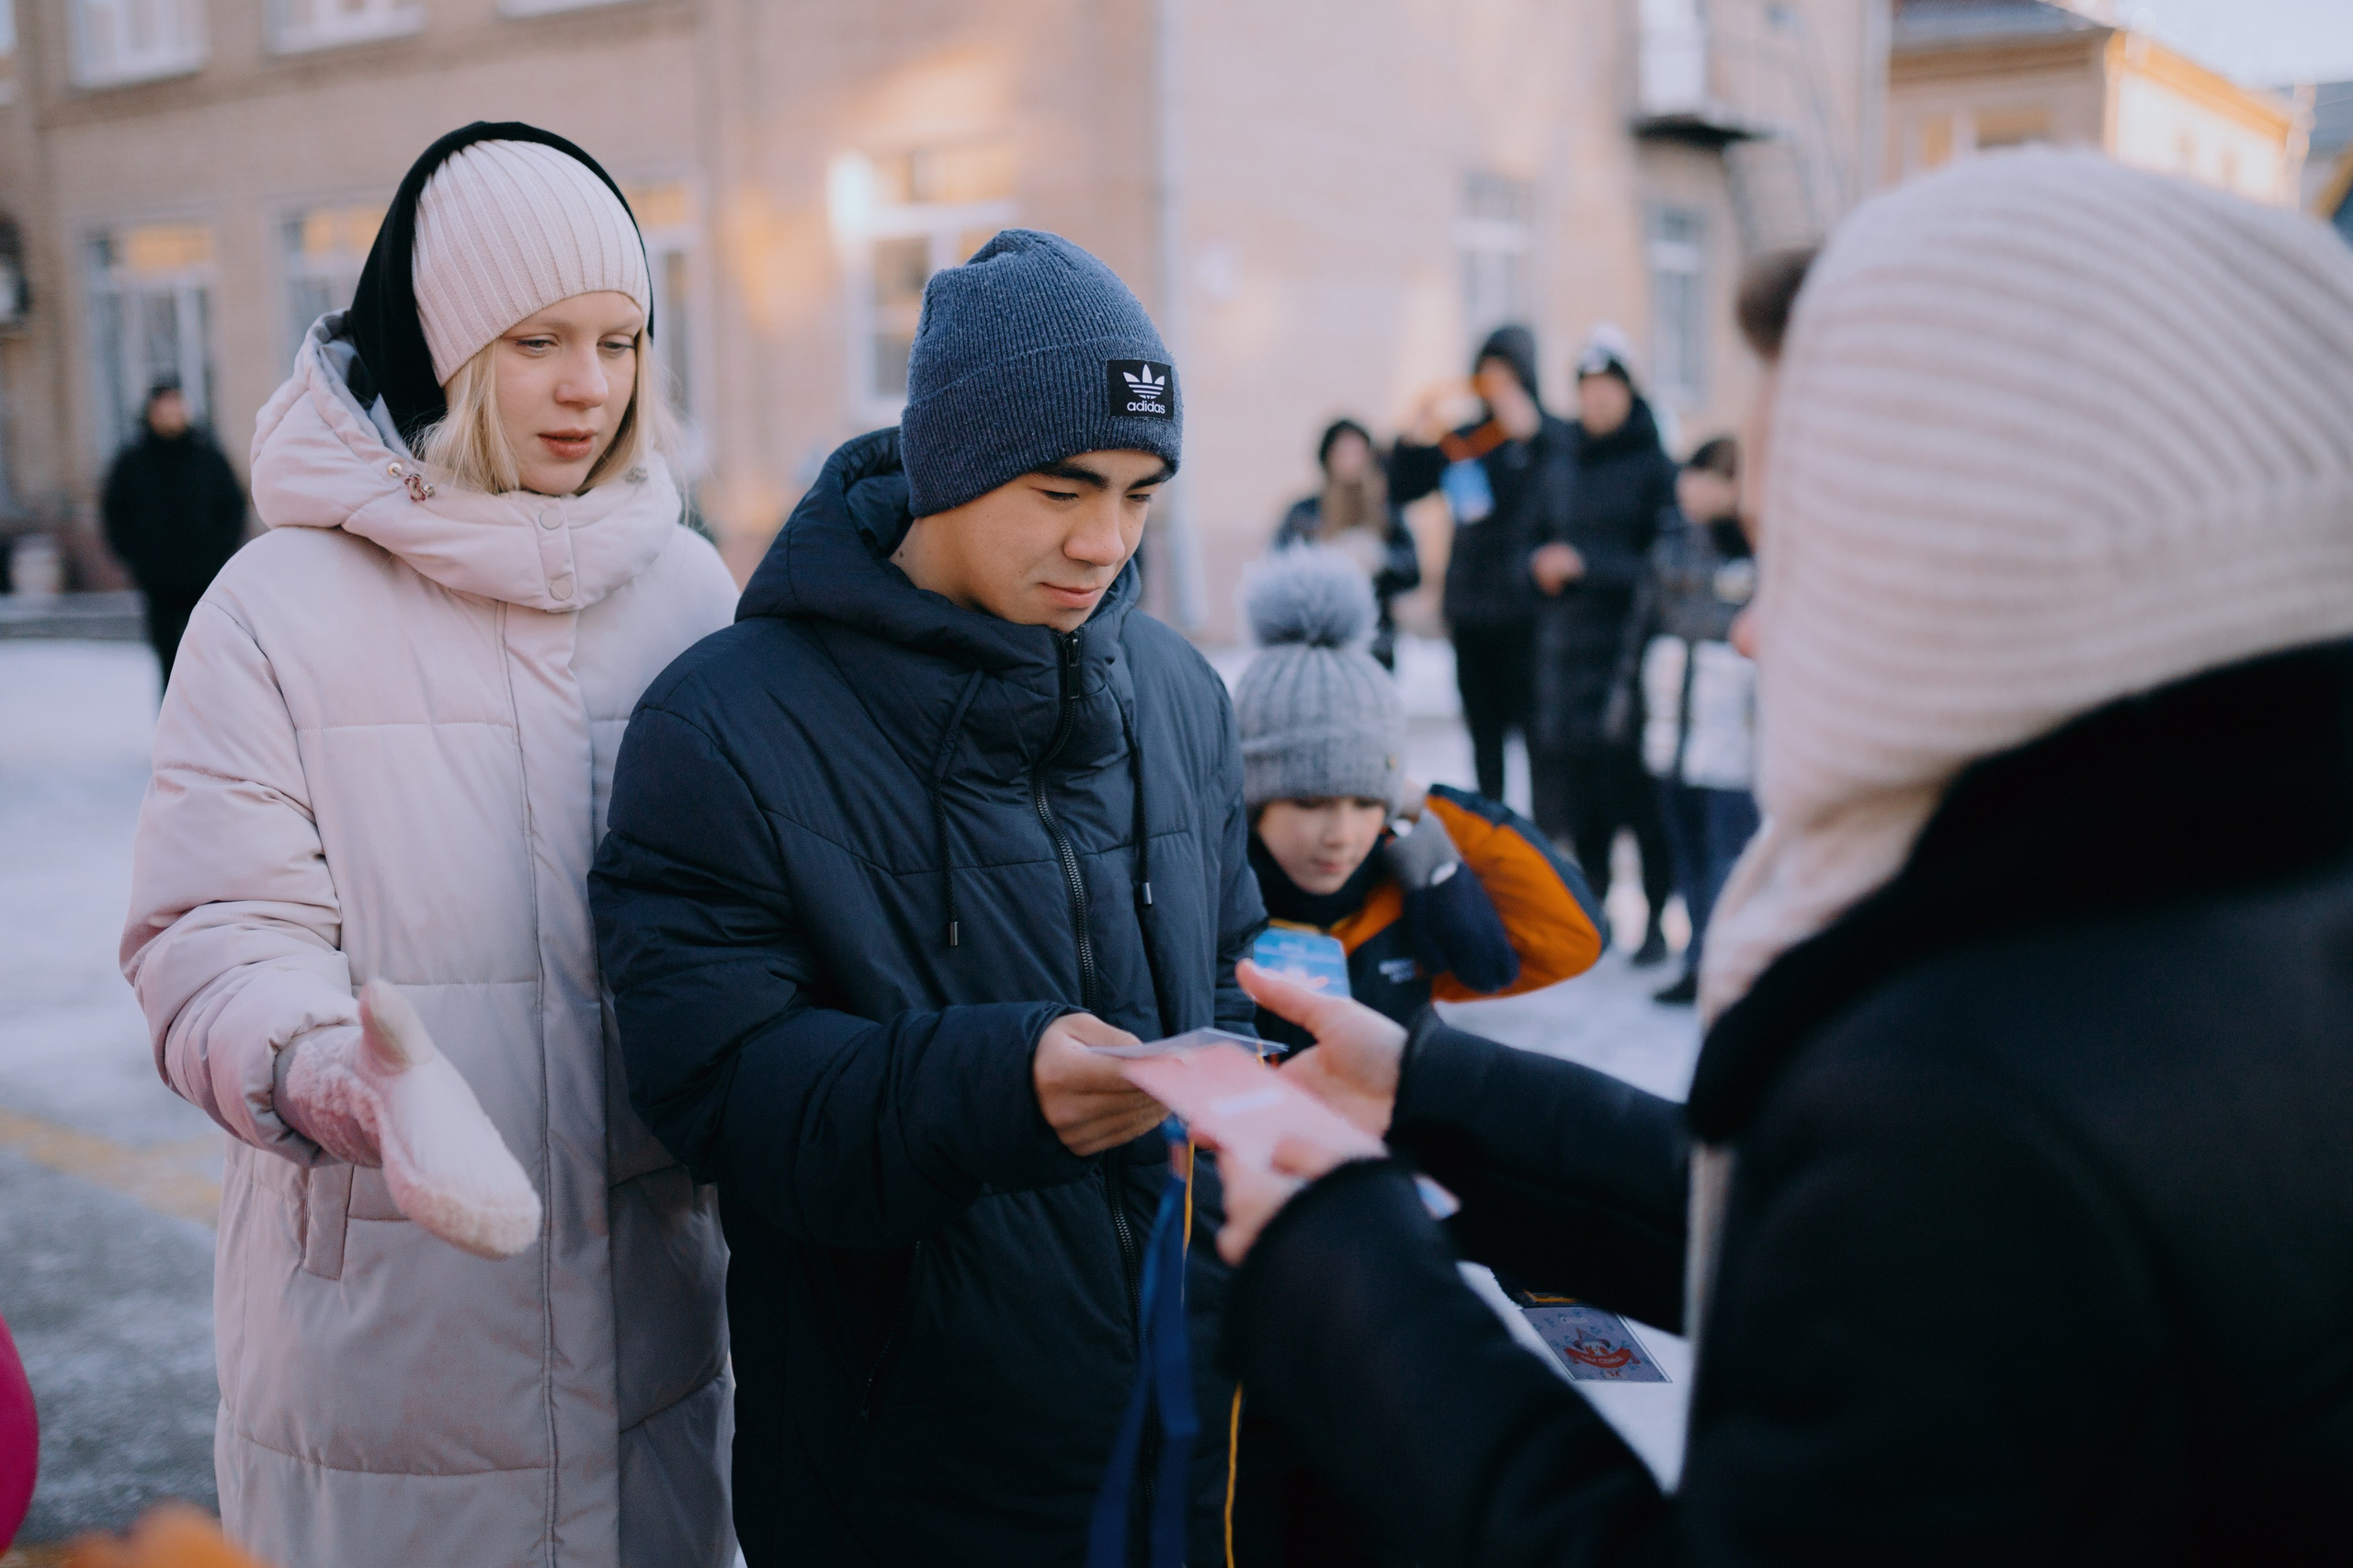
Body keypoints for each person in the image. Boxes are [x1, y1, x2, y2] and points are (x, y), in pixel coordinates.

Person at [1204, 153, 2353, 1563]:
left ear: (1988, 563)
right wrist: (1438, 1090)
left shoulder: (1971, 1090)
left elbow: (1903, 1210)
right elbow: (1850, 1255)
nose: (1748, 630)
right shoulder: (2238, 904)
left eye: (1786, 549)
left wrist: (1343, 1262)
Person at [588, 229, 1263, 1565]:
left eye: (1141, 493)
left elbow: (1233, 960)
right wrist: (996, 1088)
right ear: (950, 458)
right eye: (1063, 486)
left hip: (1201, 1442)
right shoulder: (728, 724)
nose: (1104, 541)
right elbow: (720, 1088)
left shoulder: (1178, 691)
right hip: (906, 1475)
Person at [119, 124, 741, 1568]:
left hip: (656, 1332)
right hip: (386, 1356)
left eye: (620, 339)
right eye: (536, 342)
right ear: (444, 350)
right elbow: (213, 938)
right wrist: (335, 1074)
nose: (590, 386)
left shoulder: (688, 591)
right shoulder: (276, 610)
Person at [1228, 545, 1604, 1566]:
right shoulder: (1210, 911)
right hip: (1234, 1266)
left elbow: (1567, 935)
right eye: (1307, 798)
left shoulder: (1411, 893)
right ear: (1250, 795)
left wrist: (1430, 813)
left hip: (1391, 1256)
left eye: (1360, 799)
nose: (1336, 830)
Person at [1527, 328, 1678, 965]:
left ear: (1628, 391)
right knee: (1583, 800)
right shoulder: (1561, 460)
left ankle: (1655, 923)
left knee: (1639, 801)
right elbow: (1527, 539)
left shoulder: (1654, 466)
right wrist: (1536, 563)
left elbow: (1665, 564)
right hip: (1565, 659)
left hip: (1627, 663)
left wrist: (1591, 565)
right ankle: (1597, 916)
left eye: (1608, 387)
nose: (1597, 400)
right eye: (1587, 389)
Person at [1608, 436, 1759, 1004]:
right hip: (1673, 728)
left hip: (1732, 736)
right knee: (1686, 854)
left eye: (1702, 478)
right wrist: (1627, 710)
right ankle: (1698, 962)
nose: (1689, 489)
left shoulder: (1757, 549)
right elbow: (1639, 631)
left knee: (1729, 858)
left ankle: (1727, 971)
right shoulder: (1670, 543)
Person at [1391, 325, 1565, 804]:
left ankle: (1546, 835)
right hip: (1471, 611)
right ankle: (1493, 827)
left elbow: (1569, 495)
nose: (1496, 384)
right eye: (1488, 372)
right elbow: (1404, 487)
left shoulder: (1550, 438)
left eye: (1506, 373)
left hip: (1529, 617)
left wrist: (1536, 439)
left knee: (1538, 738)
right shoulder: (1465, 441)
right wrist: (1411, 437)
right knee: (1484, 738)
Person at [101, 377, 248, 689]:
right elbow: (114, 515)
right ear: (151, 412)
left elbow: (233, 508)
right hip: (159, 582)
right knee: (168, 660)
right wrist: (136, 558)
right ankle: (175, 732)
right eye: (163, 408)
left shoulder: (208, 457)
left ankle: (212, 728)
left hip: (205, 579)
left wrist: (219, 553)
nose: (171, 414)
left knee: (210, 656)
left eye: (176, 407)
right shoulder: (132, 462)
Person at [1271, 419, 1420, 670]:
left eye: (1359, 452)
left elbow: (1412, 570)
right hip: (1318, 639)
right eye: (1343, 452)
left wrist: (1381, 559)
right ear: (1327, 457)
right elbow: (1279, 566)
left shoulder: (1385, 511)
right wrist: (1322, 559)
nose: (1351, 461)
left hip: (1375, 638)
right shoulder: (1305, 513)